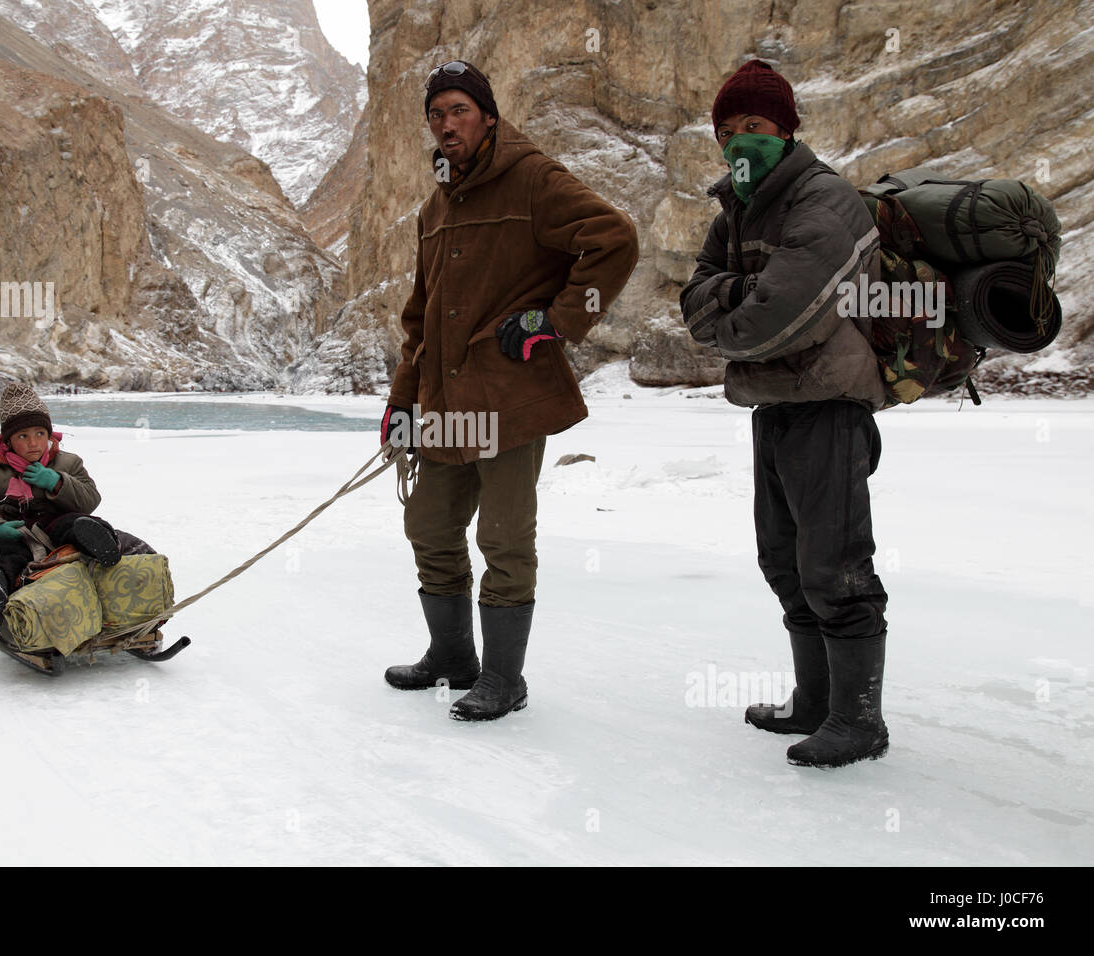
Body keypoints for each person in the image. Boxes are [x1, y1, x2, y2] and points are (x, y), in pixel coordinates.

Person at [381, 60, 638, 721]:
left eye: (459, 110)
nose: (446, 125)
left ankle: (504, 678)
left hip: (509, 401)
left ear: (488, 116)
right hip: (441, 404)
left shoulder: (532, 178)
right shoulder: (435, 208)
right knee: (430, 527)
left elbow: (614, 238)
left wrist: (555, 321)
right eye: (436, 114)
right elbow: (420, 318)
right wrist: (402, 407)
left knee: (503, 539)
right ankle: (453, 657)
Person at [680, 60, 889, 767]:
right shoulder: (733, 212)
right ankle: (816, 700)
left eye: (756, 127)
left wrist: (733, 308)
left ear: (787, 129)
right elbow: (693, 306)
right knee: (786, 562)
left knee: (835, 565)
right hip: (775, 405)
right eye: (729, 130)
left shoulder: (823, 201)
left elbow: (777, 319)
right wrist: (740, 298)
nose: (741, 141)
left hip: (829, 404)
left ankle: (860, 721)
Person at [0, 383, 141, 631]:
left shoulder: (68, 462)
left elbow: (90, 498)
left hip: (56, 526)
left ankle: (105, 547)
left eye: (40, 434)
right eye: (23, 436)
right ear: (8, 440)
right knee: (3, 552)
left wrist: (57, 482)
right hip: (17, 533)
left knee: (78, 524)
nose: (34, 443)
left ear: (49, 434)